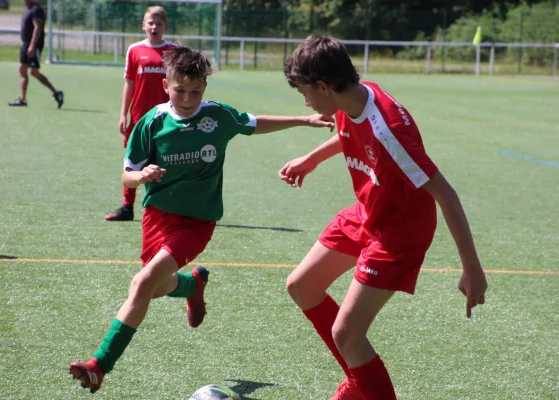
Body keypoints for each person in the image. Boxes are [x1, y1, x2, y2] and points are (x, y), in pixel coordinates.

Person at [69, 46, 335, 393]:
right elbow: (127, 176)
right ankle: (193, 284)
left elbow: (253, 123)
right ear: (166, 85)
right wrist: (142, 176)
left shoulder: (217, 116)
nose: (188, 98)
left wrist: (304, 119)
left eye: (196, 91)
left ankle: (99, 365)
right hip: (156, 217)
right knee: (158, 287)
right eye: (180, 90)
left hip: (196, 222)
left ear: (204, 89)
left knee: (142, 283)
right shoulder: (151, 123)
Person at [279, 35, 488, 400]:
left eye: (305, 92)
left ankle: (367, 387)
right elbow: (347, 128)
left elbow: (446, 194)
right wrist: (311, 159)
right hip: (368, 212)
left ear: (325, 87)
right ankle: (362, 383)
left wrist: (472, 268)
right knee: (302, 286)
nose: (306, 101)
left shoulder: (390, 129)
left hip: (400, 232)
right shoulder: (352, 95)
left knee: (347, 333)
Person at [105, 6, 178, 222]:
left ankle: (167, 206)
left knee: (168, 160)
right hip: (139, 117)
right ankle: (127, 207)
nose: (154, 27)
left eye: (159, 23)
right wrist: (123, 114)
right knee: (133, 160)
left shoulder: (174, 51)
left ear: (165, 27)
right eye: (150, 22)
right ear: (143, 25)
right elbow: (129, 83)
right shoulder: (134, 50)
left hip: (167, 118)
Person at [8, 0, 63, 108]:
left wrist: (32, 45)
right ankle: (22, 99)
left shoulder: (36, 10)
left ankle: (56, 93)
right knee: (23, 69)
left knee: (33, 72)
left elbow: (37, 28)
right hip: (26, 44)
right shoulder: (28, 9)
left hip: (33, 45)